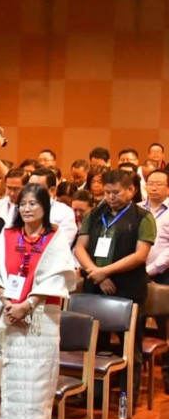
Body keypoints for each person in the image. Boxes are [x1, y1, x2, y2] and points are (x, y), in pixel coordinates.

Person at [0, 183, 75, 419]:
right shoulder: (8, 234)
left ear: (45, 207)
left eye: (33, 203)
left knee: (36, 386)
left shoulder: (55, 236)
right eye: (22, 203)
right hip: (10, 314)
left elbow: (58, 276)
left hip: (41, 318)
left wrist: (28, 304)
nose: (26, 208)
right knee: (10, 384)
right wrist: (9, 302)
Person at [75, 169, 154, 400]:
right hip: (95, 285)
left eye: (116, 192)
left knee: (130, 345)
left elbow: (140, 255)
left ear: (131, 190)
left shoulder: (143, 217)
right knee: (95, 343)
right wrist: (95, 273)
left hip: (128, 288)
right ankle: (93, 395)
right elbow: (80, 247)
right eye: (107, 193)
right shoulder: (95, 214)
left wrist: (105, 272)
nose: (110, 197)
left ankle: (128, 396)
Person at [27, 168, 78, 248]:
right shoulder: (19, 209)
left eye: (37, 188)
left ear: (52, 190)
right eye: (29, 187)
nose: (31, 191)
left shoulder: (65, 212)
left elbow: (64, 243)